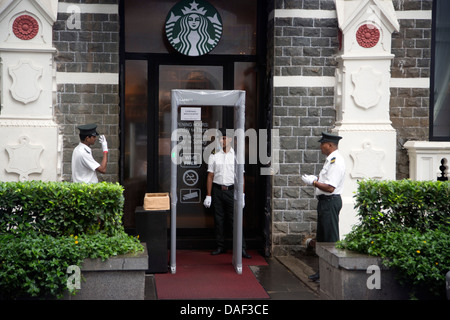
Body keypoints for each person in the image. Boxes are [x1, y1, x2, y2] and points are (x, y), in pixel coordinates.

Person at [302, 132, 345, 282]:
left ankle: (332, 274)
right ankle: (323, 273)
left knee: (330, 240)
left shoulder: (336, 161)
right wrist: (316, 179)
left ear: (330, 145)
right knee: (322, 239)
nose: (321, 146)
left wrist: (313, 183)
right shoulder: (330, 160)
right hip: (325, 202)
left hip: (330, 201)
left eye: (323, 144)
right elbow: (325, 181)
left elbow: (330, 187)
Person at [203, 128, 251, 259]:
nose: (221, 140)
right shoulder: (214, 155)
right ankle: (220, 247)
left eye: (224, 138)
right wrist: (208, 195)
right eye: (220, 138)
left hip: (232, 191)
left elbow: (241, 177)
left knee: (235, 221)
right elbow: (210, 176)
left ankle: (241, 248)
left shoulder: (236, 156)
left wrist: (242, 195)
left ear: (230, 139)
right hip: (217, 190)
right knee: (219, 220)